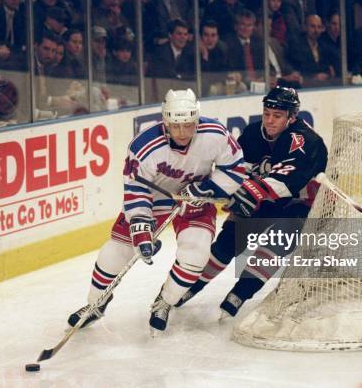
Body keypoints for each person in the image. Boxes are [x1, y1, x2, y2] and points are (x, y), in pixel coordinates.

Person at [66, 89, 245, 334]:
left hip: (195, 199)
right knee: (115, 252)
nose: (182, 133)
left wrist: (206, 189)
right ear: (165, 122)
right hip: (155, 197)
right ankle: (95, 304)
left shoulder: (215, 134)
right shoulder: (144, 146)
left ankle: (165, 301)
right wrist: (141, 229)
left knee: (197, 253)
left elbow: (234, 169)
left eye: (188, 125)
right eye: (175, 126)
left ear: (197, 120)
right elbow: (136, 188)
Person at [175, 86, 328, 317]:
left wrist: (249, 193)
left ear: (292, 116)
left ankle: (239, 294)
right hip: (262, 197)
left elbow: (286, 182)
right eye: (266, 113)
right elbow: (236, 170)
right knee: (228, 242)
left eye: (277, 116)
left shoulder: (305, 141)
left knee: (277, 244)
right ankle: (190, 287)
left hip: (299, 203)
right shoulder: (252, 134)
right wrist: (229, 190)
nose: (269, 120)